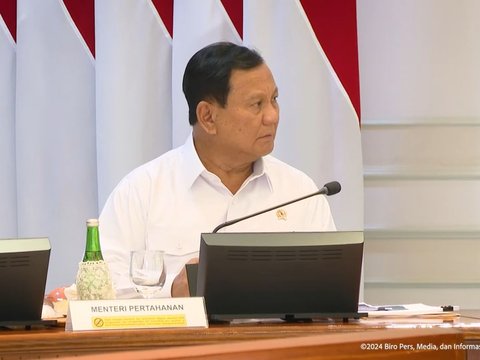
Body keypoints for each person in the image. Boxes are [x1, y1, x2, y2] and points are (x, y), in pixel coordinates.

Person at [99, 42, 336, 298]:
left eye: (274, 100)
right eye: (256, 104)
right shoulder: (141, 192)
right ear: (208, 117)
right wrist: (171, 292)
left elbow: (331, 290)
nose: (272, 116)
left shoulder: (300, 191)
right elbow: (101, 292)